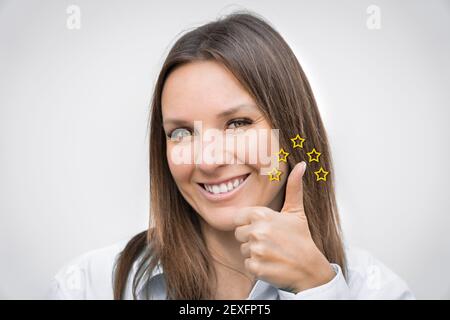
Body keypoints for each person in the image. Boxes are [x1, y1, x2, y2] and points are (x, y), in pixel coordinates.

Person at [48, 12, 414, 300]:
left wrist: (317, 289)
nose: (207, 161)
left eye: (237, 124)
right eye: (181, 132)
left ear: (290, 134)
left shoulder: (377, 291)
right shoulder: (86, 288)